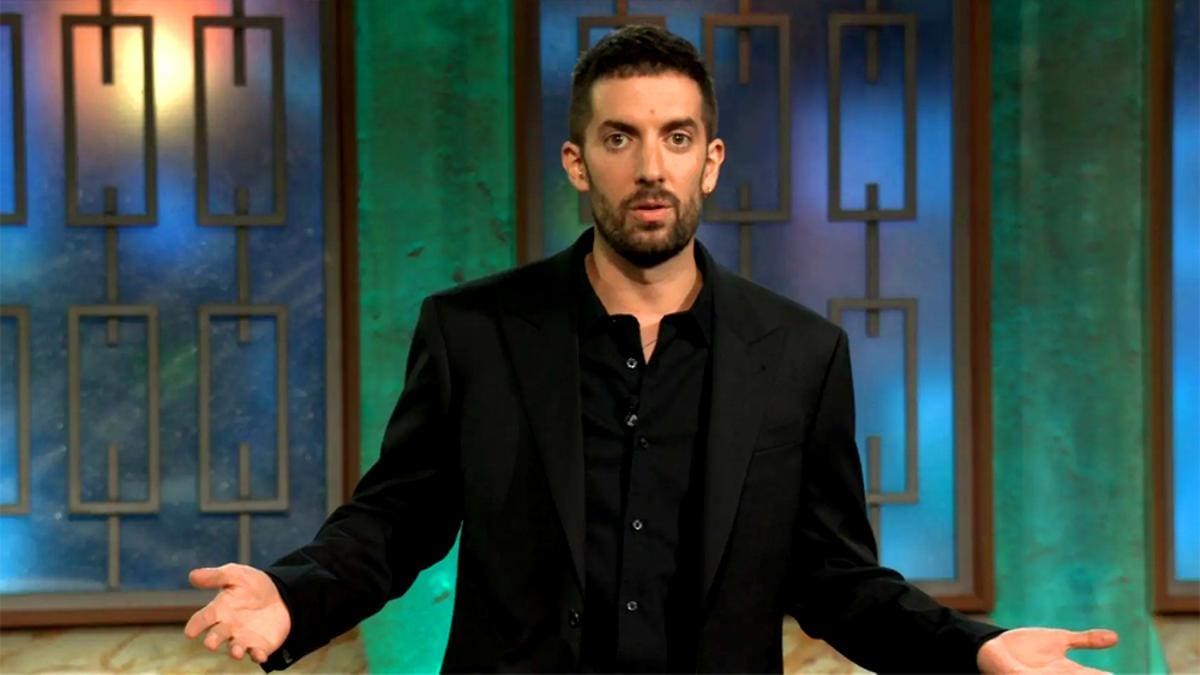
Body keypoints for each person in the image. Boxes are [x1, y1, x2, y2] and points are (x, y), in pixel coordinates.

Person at [184, 25, 1118, 673]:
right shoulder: (475, 333)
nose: (651, 167)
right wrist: (293, 596)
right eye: (620, 138)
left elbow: (837, 579)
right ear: (578, 161)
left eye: (677, 138)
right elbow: (394, 521)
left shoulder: (800, 354)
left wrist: (973, 649)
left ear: (710, 160)